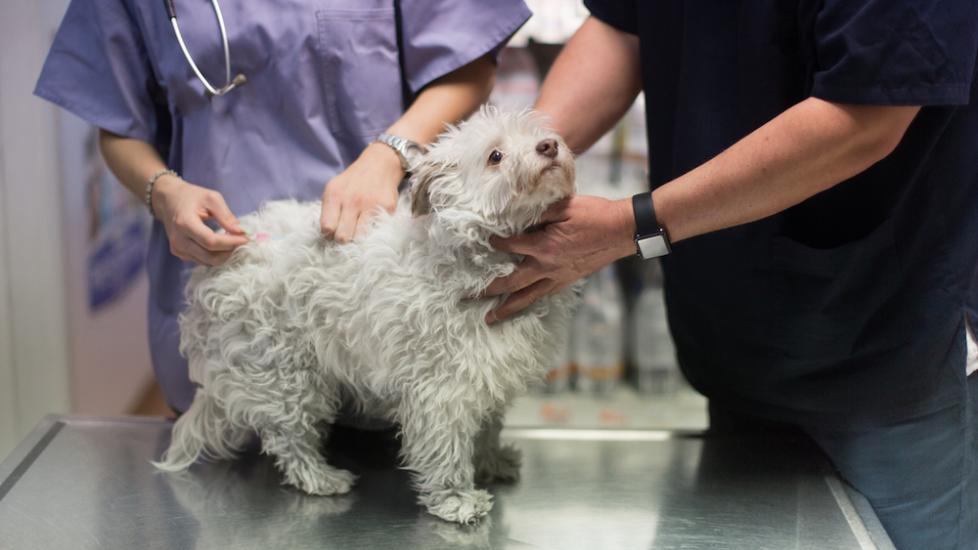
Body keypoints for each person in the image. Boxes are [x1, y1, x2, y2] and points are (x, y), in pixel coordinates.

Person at [483, 2, 978, 548]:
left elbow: (866, 116)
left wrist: (633, 226)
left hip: (892, 347)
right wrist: (517, 168)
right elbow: (623, 29)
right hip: (737, 340)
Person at [35, 0, 531, 414]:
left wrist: (391, 151)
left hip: (381, 288)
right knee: (231, 488)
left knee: (414, 468)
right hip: (230, 285)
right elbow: (117, 122)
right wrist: (162, 191)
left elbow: (471, 64)